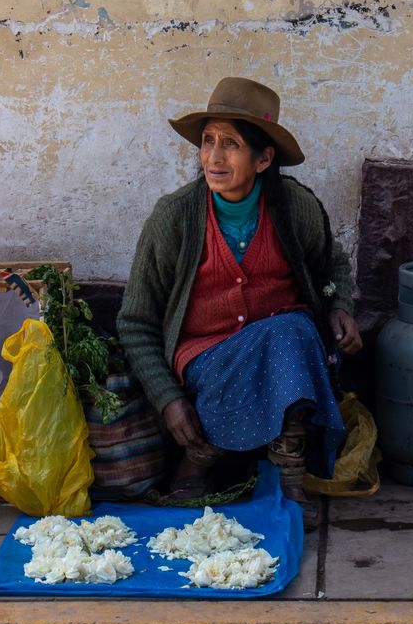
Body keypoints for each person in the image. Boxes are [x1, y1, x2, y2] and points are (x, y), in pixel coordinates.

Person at [118, 76, 362, 522]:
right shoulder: (174, 219)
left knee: (289, 330)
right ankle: (209, 454)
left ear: (264, 158)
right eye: (208, 141)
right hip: (205, 358)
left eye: (230, 144)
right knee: (283, 335)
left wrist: (340, 305)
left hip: (285, 350)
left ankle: (284, 470)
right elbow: (135, 321)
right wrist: (168, 398)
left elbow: (332, 270)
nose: (213, 156)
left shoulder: (296, 208)